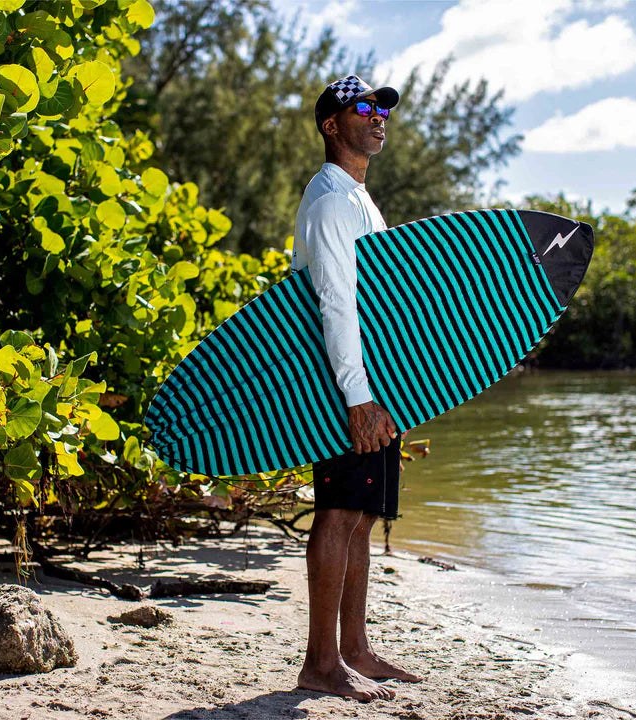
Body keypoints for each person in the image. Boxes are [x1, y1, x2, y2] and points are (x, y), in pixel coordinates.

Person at [291, 75, 423, 702]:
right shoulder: (331, 202)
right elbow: (337, 303)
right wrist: (358, 398)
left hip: (371, 384)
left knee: (363, 517)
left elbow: (379, 305)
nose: (378, 118)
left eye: (381, 110)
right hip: (341, 388)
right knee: (339, 513)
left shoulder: (359, 199)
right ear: (330, 126)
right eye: (363, 109)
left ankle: (355, 650)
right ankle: (320, 663)